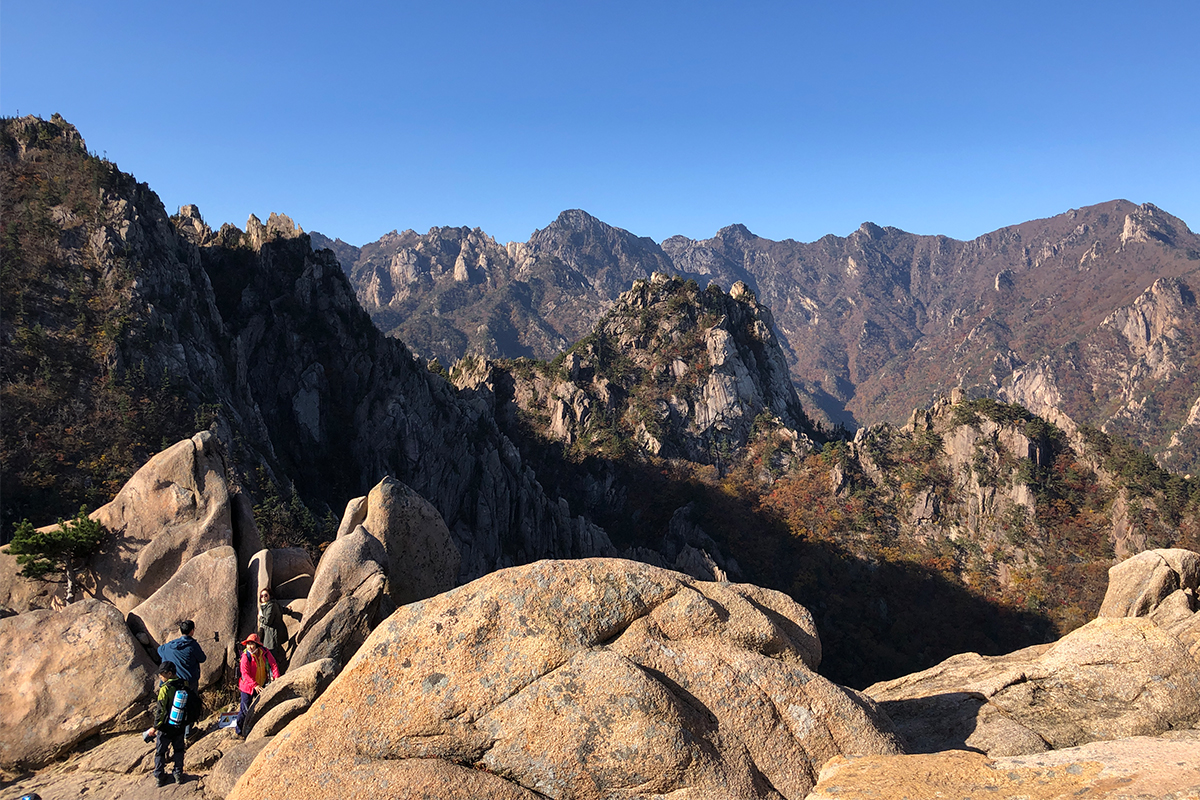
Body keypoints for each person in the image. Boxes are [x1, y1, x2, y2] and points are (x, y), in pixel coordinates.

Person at [158, 619, 207, 737]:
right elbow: (202, 658)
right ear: (192, 631)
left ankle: (173, 732)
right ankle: (187, 733)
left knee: (173, 706)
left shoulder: (169, 646)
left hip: (172, 683)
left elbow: (160, 650)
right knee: (189, 706)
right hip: (188, 682)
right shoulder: (192, 645)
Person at [150, 661, 188, 786]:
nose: (160, 676)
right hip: (179, 724)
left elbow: (160, 710)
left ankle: (159, 777)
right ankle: (178, 775)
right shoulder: (183, 684)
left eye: (162, 674)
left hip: (165, 726)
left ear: (169, 674)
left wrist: (155, 727)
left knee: (160, 752)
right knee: (179, 750)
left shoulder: (165, 688)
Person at [236, 633, 279, 737]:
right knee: (245, 710)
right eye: (248, 644)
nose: (250, 646)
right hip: (248, 687)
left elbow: (273, 664)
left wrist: (277, 677)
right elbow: (245, 674)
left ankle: (256, 729)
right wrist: (254, 685)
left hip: (261, 684)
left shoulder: (264, 652)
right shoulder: (245, 656)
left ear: (257, 645)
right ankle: (239, 731)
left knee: (262, 707)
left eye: (252, 644)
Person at [256, 587, 288, 669]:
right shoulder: (269, 605)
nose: (263, 597)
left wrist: (260, 618)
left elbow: (268, 621)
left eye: (266, 595)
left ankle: (273, 673)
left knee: (271, 656)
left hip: (271, 634)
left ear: (270, 595)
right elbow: (282, 609)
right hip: (271, 633)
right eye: (261, 596)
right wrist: (289, 611)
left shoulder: (271, 605)